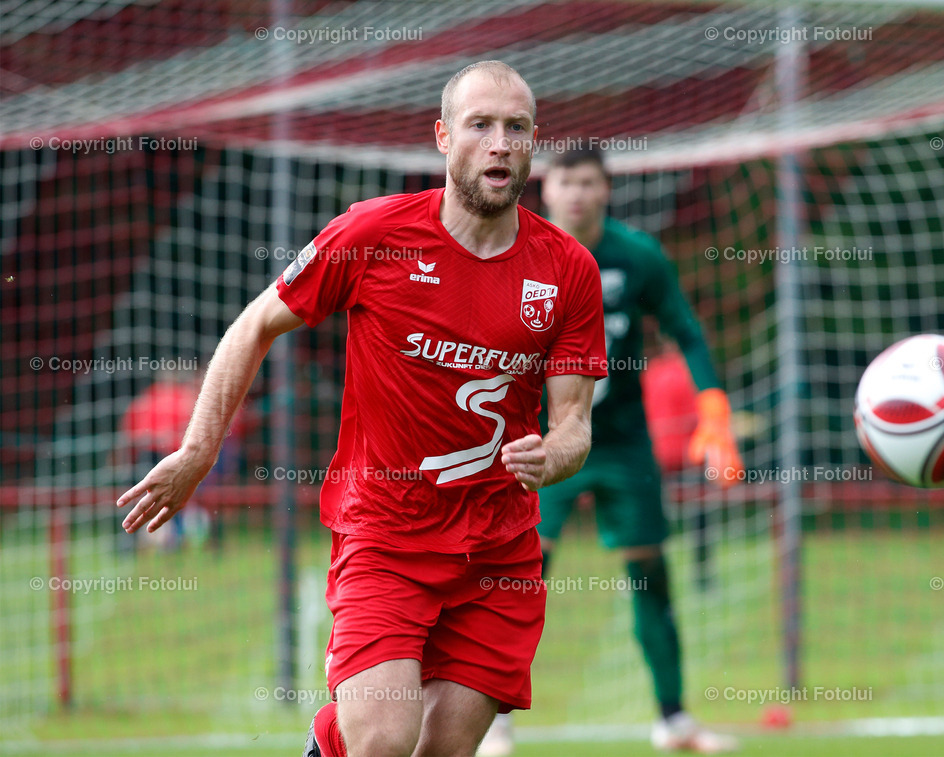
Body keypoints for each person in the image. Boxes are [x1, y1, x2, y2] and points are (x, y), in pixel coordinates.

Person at [116, 61, 607, 757]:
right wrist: (197, 452)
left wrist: (552, 454)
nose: (500, 142)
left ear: (533, 141)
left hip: (497, 553)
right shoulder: (373, 234)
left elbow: (575, 424)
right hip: (386, 534)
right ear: (443, 138)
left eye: (515, 128)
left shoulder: (566, 270)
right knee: (382, 739)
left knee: (443, 748)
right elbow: (252, 326)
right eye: (480, 126)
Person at [478, 148, 742, 755]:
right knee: (523, 576)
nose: (576, 192)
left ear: (606, 190)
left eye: (588, 181)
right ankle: (494, 721)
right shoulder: (514, 251)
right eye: (565, 180)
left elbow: (686, 329)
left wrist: (713, 407)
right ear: (545, 190)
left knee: (651, 572)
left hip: (622, 441)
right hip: (540, 443)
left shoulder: (637, 256)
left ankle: (674, 720)